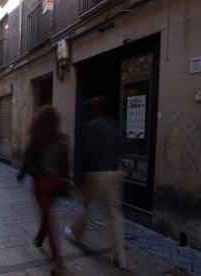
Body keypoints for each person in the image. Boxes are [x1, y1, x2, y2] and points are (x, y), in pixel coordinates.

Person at [64, 95, 126, 270]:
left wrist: (79, 178)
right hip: (116, 172)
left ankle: (75, 233)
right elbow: (123, 148)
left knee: (88, 205)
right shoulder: (116, 125)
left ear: (95, 110)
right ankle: (120, 258)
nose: (89, 113)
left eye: (90, 110)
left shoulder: (90, 127)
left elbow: (87, 153)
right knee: (114, 214)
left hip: (98, 173)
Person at [17, 106, 69, 275]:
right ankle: (40, 240)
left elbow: (27, 160)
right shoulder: (61, 140)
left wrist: (22, 175)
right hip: (57, 184)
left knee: (49, 219)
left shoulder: (36, 139)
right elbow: (65, 165)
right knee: (48, 216)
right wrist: (66, 182)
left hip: (41, 184)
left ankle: (57, 261)